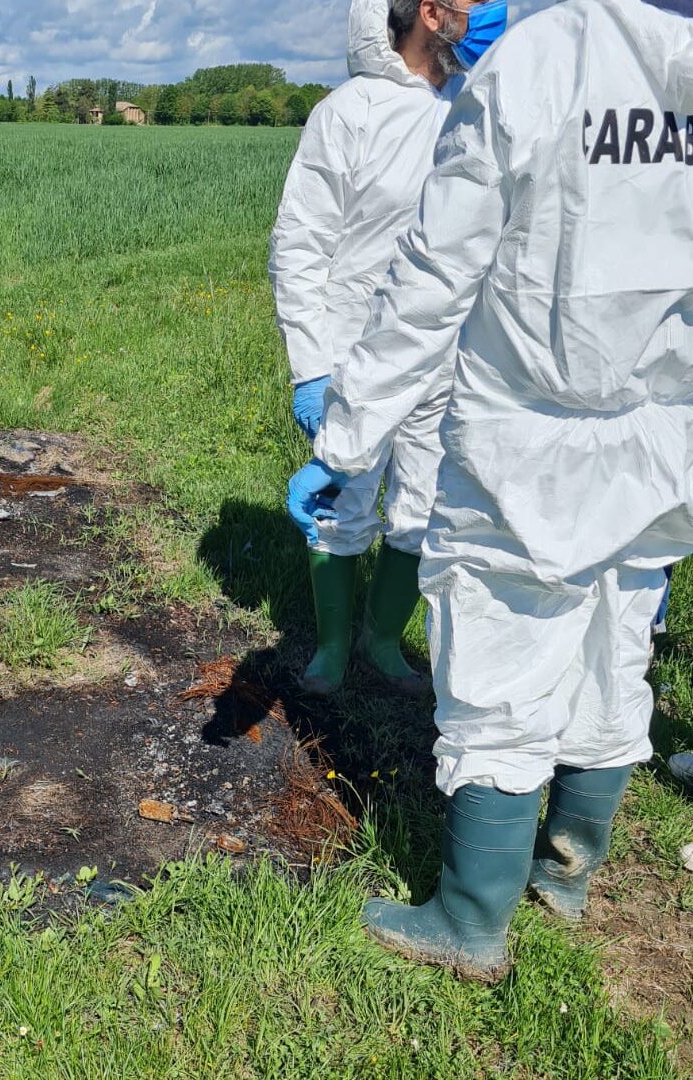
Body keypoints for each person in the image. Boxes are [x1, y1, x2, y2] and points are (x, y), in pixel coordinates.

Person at [288, 0, 693, 980]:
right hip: (659, 432)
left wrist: (346, 439)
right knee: (612, 651)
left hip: (524, 441)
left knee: (499, 675)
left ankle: (471, 922)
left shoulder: (533, 64)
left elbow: (431, 277)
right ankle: (567, 875)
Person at [269, 0, 505, 695]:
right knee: (344, 499)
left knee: (426, 504)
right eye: (472, 1)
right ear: (429, 14)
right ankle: (333, 647)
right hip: (355, 345)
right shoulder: (349, 112)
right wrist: (311, 369)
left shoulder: (477, 103)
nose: (489, 10)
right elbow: (300, 244)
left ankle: (382, 639)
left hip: (453, 352)